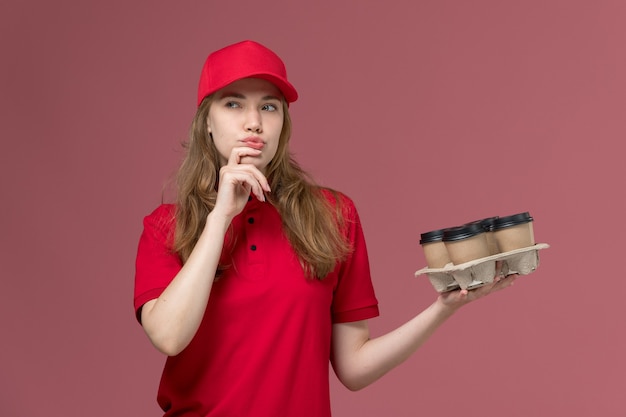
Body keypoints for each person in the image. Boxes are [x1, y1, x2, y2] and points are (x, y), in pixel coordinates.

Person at [133, 40, 517, 417]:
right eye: (233, 103)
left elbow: (354, 368)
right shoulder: (167, 226)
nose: (254, 122)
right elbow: (168, 335)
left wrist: (443, 308)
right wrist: (220, 218)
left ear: (283, 123)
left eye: (269, 106)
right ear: (207, 123)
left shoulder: (333, 216)